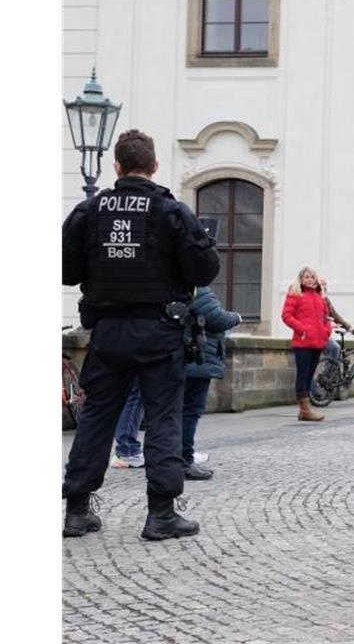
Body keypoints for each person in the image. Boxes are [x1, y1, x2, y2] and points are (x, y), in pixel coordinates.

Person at [61, 129, 220, 540]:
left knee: (96, 419)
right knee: (163, 417)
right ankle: (161, 513)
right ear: (153, 166)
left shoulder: (90, 211)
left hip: (108, 331)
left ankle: (77, 511)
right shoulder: (169, 210)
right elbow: (204, 271)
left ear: (116, 165)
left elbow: (65, 270)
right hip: (159, 331)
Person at [181, 283, 242, 480]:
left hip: (179, 359)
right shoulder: (197, 288)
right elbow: (217, 318)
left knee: (174, 412)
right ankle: (184, 461)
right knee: (189, 412)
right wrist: (237, 317)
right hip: (195, 359)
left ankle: (170, 460)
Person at [281, 267, 332, 422]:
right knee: (303, 375)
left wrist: (326, 331)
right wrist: (302, 329)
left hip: (317, 342)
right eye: (306, 277)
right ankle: (305, 409)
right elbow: (286, 315)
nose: (309, 279)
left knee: (310, 375)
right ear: (301, 279)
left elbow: (326, 317)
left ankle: (305, 409)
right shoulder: (296, 294)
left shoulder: (319, 295)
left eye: (312, 277)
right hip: (302, 342)